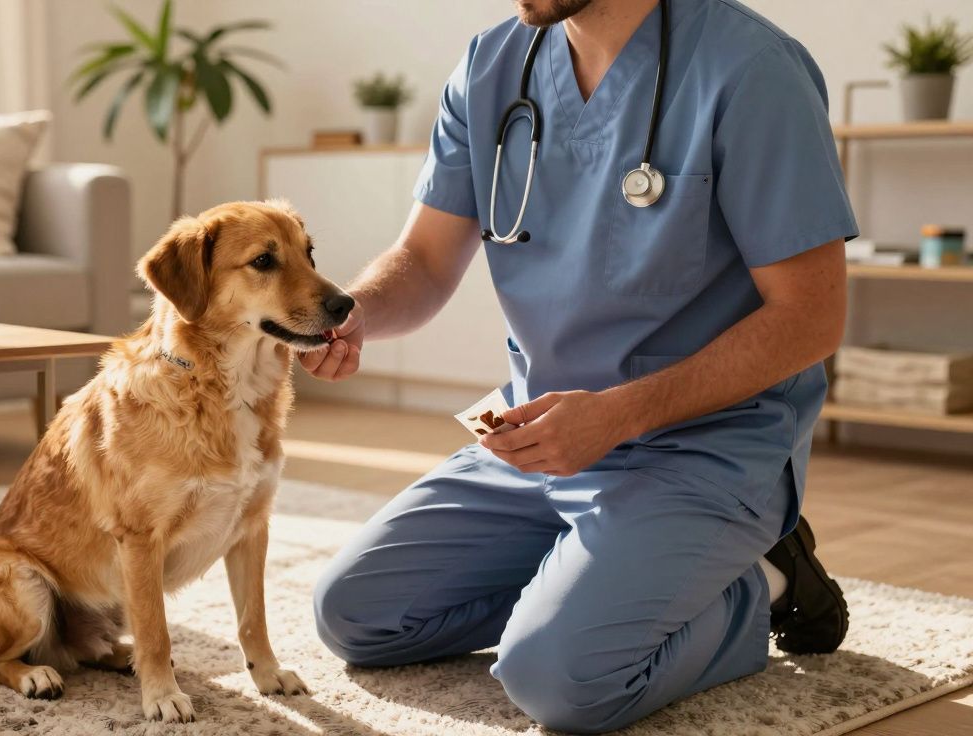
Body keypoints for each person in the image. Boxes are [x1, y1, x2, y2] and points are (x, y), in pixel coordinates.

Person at [304, 0, 855, 731]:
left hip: (704, 448)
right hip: (541, 440)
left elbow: (812, 317)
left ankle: (762, 581)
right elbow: (425, 260)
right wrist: (354, 314)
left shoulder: (750, 68)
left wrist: (620, 414)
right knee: (356, 615)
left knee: (561, 680)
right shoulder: (491, 66)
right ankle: (600, 582)